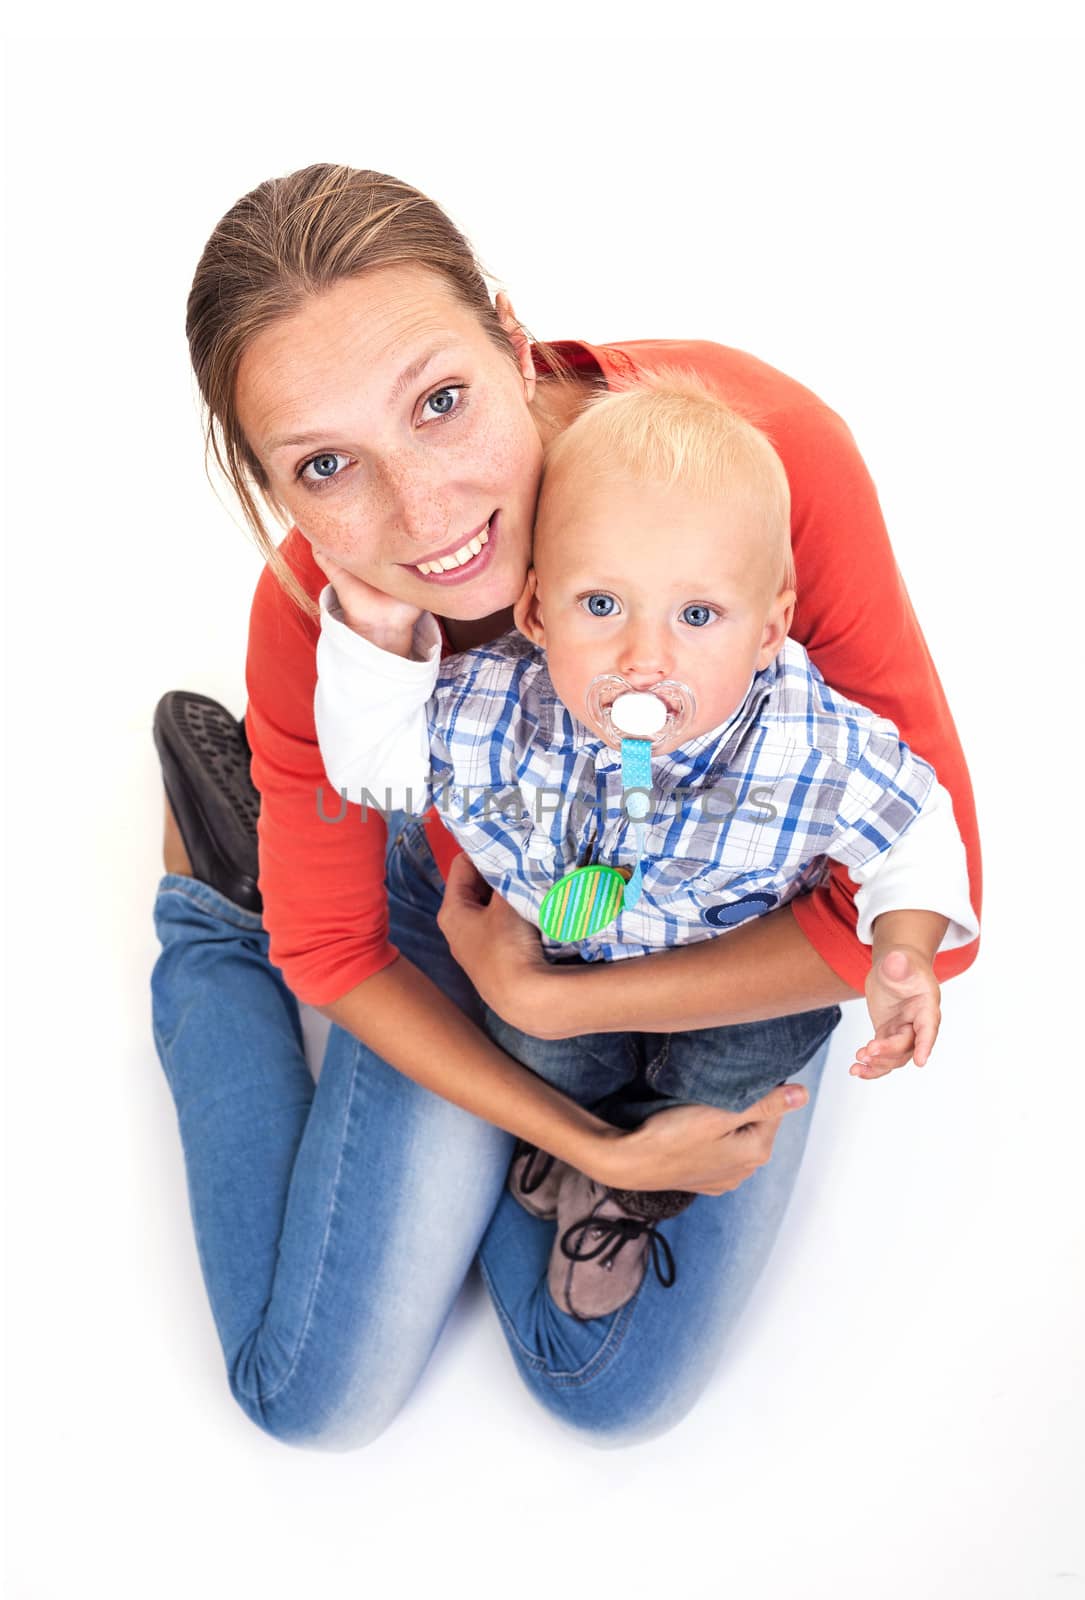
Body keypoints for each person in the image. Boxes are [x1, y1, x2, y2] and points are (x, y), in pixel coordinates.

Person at [150, 161, 982, 1451]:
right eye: (326, 466)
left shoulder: (748, 467)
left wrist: (554, 1004)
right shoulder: (320, 613)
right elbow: (331, 949)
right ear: (273, 488)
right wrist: (573, 1128)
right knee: (313, 1398)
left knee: (600, 1382)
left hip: (693, 899)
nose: (425, 519)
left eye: (440, 401)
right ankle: (216, 892)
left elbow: (926, 892)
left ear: (506, 329)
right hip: (490, 874)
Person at [309, 369, 979, 1320]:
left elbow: (913, 824)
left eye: (697, 616)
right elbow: (373, 771)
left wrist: (904, 944)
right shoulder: (502, 705)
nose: (643, 658)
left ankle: (636, 1186)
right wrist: (375, 631)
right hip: (557, 951)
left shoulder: (806, 737)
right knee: (547, 1054)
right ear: (536, 612)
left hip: (727, 981)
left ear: (768, 629)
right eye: (600, 606)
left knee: (715, 1085)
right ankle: (573, 1137)